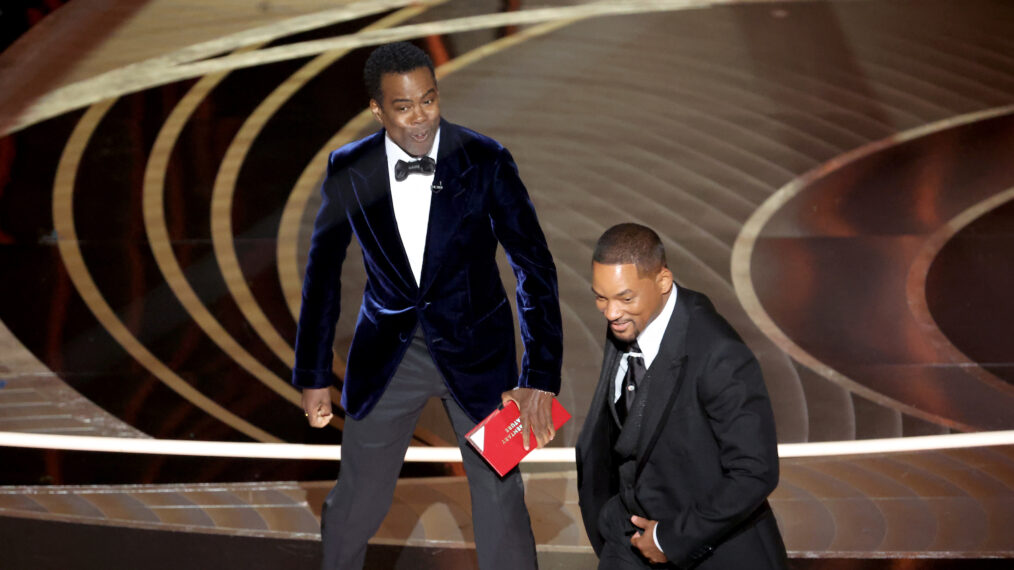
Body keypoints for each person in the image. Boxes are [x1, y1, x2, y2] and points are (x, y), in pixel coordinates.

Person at [292, 42, 563, 570]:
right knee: (357, 497)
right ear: (377, 108)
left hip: (480, 355)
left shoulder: (485, 159)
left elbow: (534, 266)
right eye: (403, 106)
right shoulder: (349, 167)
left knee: (500, 500)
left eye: (429, 100)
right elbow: (321, 275)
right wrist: (313, 373)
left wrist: (541, 374)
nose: (420, 117)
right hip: (390, 357)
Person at [576, 223, 788, 569]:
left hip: (703, 547)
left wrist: (669, 538)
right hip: (626, 534)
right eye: (601, 297)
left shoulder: (718, 354)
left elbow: (755, 471)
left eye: (624, 298)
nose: (611, 312)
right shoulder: (630, 319)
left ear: (663, 281)